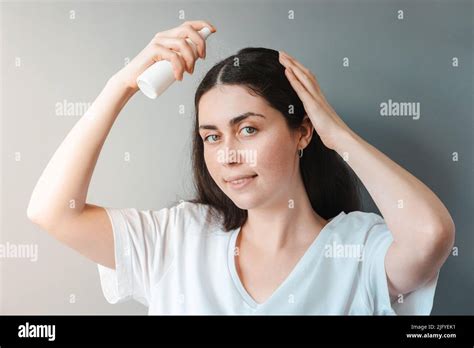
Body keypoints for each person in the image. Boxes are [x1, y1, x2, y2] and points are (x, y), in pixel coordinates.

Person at [27, 20, 455, 315]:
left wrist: (337, 134)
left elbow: (431, 236)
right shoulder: (177, 239)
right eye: (211, 136)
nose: (228, 155)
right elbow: (52, 211)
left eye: (248, 130)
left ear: (303, 132)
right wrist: (120, 84)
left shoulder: (357, 252)